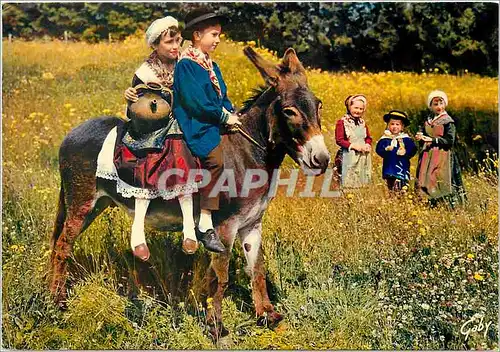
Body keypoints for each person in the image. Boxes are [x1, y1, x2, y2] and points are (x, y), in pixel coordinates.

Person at [114, 16, 201, 261]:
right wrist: (130, 96)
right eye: (169, 43)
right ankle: (137, 230)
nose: (175, 46)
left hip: (179, 120)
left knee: (183, 150)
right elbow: (134, 109)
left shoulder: (184, 62)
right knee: (148, 160)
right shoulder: (144, 72)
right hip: (151, 126)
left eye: (177, 41)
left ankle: (190, 227)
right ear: (155, 45)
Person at [173, 8, 241, 253]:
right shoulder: (187, 65)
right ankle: (204, 222)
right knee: (214, 158)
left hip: (210, 117)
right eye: (214, 34)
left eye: (219, 35)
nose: (218, 40)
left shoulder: (212, 65)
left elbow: (221, 94)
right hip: (195, 120)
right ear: (197, 35)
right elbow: (195, 102)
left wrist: (230, 112)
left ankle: (231, 206)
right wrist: (223, 116)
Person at [415, 90, 466, 207]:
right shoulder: (428, 120)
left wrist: (433, 140)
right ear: (431, 106)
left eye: (441, 103)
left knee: (439, 177)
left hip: (443, 155)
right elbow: (423, 131)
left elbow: (450, 141)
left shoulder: (448, 121)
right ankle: (428, 203)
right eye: (435, 104)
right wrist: (420, 135)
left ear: (445, 104)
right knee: (426, 177)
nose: (439, 107)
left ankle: (445, 204)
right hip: (428, 155)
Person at [334, 94, 372, 188]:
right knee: (349, 179)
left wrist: (367, 144)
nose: (358, 111)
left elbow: (368, 137)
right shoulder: (342, 122)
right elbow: (339, 140)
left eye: (361, 109)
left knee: (362, 179)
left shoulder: (362, 123)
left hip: (362, 155)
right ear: (349, 106)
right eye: (355, 108)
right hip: (349, 154)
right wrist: (353, 146)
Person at [375, 110, 417, 192]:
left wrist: (405, 152)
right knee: (390, 187)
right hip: (389, 168)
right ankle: (392, 200)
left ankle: (401, 199)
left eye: (397, 124)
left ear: (402, 127)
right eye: (392, 124)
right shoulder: (385, 139)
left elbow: (413, 149)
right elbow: (378, 149)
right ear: (388, 125)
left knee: (402, 187)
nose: (395, 127)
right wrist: (386, 149)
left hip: (402, 167)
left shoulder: (406, 139)